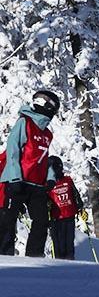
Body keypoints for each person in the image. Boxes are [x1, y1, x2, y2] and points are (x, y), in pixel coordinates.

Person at [0, 90, 60, 256]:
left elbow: (43, 157)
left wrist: (50, 177)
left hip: (37, 185)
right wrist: (14, 177)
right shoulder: (24, 122)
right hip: (18, 181)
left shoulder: (47, 134)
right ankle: (3, 256)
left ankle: (34, 256)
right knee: (7, 219)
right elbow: (13, 149)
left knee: (41, 221)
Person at [45, 156, 84, 260]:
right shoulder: (48, 183)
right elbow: (45, 199)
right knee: (59, 245)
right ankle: (60, 264)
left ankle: (70, 262)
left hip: (69, 216)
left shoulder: (67, 180)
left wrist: (80, 206)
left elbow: (75, 194)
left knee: (69, 243)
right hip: (56, 218)